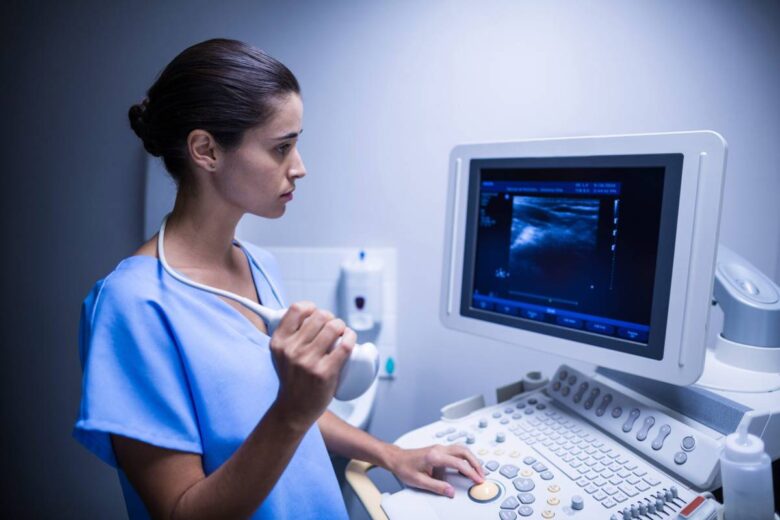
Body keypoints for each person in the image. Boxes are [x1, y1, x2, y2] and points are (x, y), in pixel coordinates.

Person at [73, 38, 484, 519]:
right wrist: (292, 409)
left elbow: (285, 415)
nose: (300, 167)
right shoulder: (132, 306)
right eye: (281, 147)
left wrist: (389, 454)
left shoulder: (258, 264)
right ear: (206, 150)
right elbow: (182, 511)